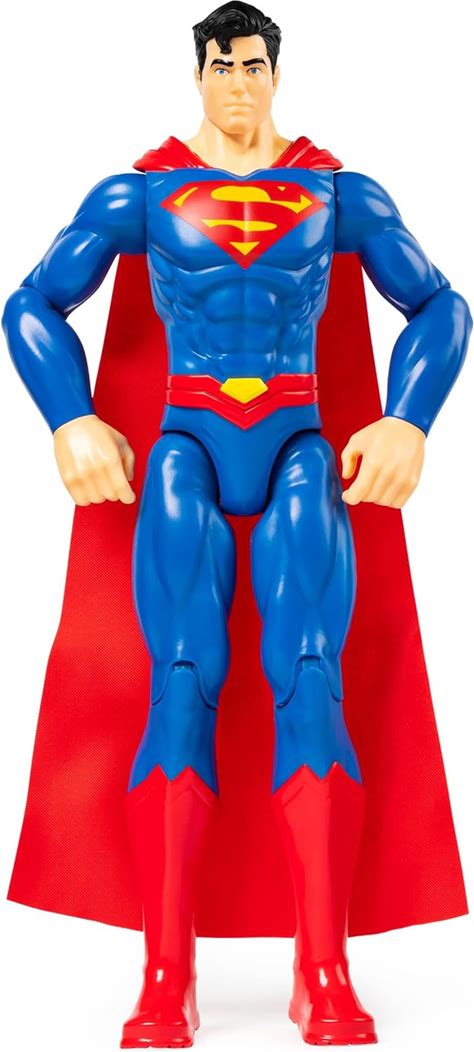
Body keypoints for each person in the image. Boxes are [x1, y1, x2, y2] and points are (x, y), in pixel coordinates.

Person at [3, 3, 471, 1047]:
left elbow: (441, 305)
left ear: (276, 72)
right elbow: (32, 303)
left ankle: (324, 966)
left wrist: (409, 418)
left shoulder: (338, 194)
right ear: (198, 74)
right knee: (179, 682)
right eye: (221, 65)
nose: (238, 83)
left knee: (312, 680)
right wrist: (70, 416)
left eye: (254, 65)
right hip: (187, 449)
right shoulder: (141, 194)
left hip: (300, 446)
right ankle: (166, 971)